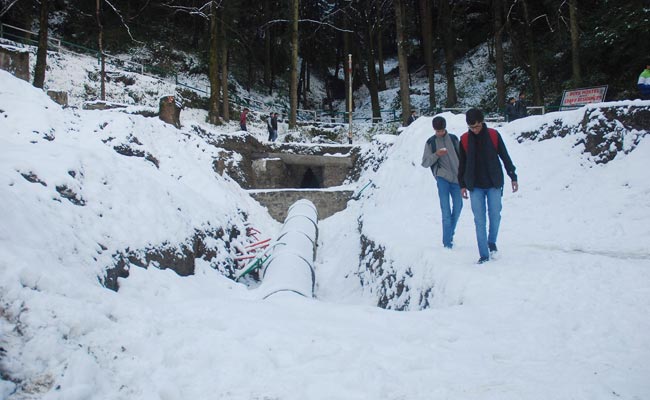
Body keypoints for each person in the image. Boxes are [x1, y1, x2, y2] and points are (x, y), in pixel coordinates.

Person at [458, 108, 518, 264]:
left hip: (494, 183)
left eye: (477, 126)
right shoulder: (464, 139)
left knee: (495, 215)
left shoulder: (493, 135)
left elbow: (505, 157)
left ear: (482, 122)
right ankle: (483, 254)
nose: (475, 130)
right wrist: (462, 185)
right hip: (475, 186)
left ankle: (491, 242)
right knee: (479, 220)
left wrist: (513, 176)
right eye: (471, 128)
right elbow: (462, 164)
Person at [421, 116, 463, 249]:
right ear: (434, 130)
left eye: (442, 130)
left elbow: (463, 157)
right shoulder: (430, 142)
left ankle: (450, 234)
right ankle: (447, 243)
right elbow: (425, 163)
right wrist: (437, 154)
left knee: (458, 207)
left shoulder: (454, 139)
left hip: (457, 179)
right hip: (442, 178)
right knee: (445, 210)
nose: (440, 133)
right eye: (437, 131)